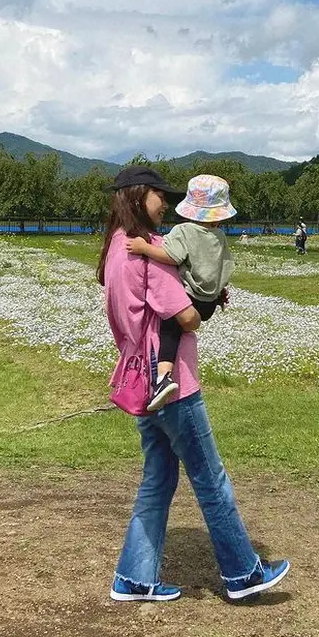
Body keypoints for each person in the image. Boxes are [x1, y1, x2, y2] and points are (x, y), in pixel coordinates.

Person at [97, 164, 290, 602]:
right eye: (159, 195)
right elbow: (184, 317)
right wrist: (199, 305)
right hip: (174, 384)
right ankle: (244, 573)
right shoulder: (149, 251)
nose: (165, 203)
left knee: (159, 479)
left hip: (139, 379)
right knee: (210, 478)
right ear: (138, 196)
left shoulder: (113, 248)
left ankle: (135, 577)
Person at [124, 174, 235, 411]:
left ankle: (163, 377)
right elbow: (221, 267)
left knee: (169, 329)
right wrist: (219, 293)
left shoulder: (184, 231)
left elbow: (171, 256)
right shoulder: (220, 236)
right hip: (209, 302)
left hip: (191, 299)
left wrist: (144, 248)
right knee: (181, 325)